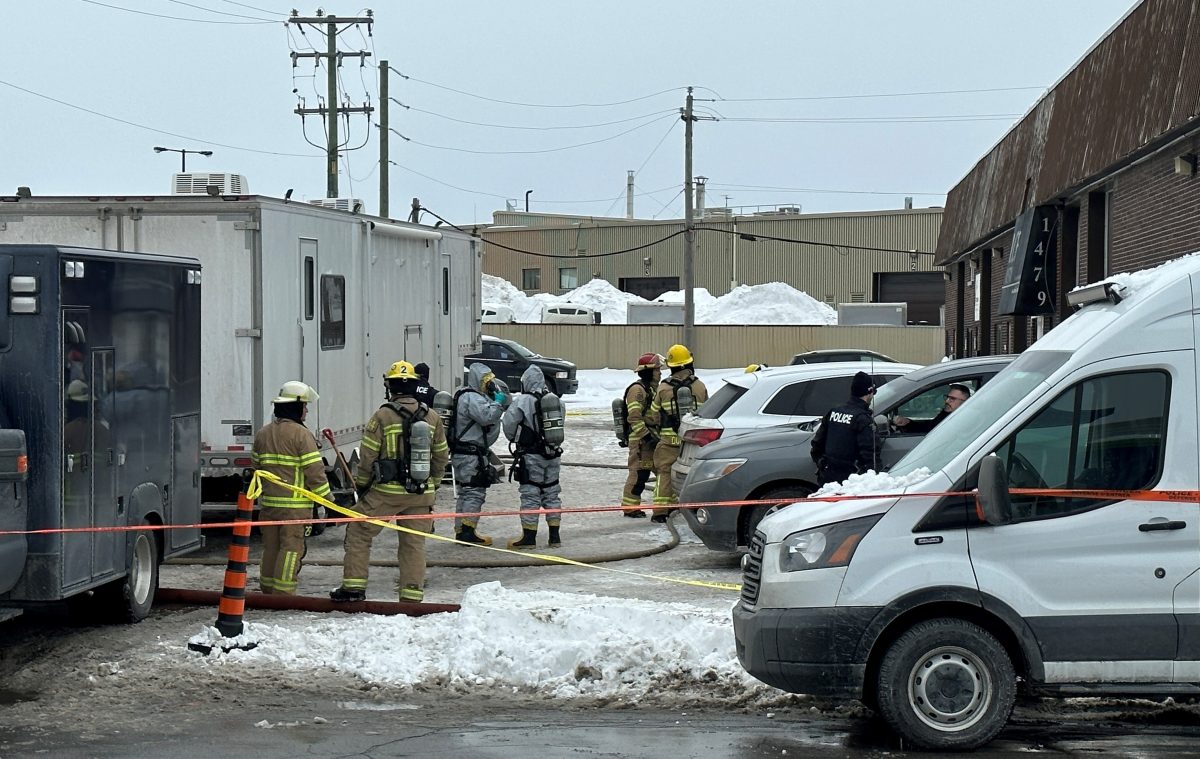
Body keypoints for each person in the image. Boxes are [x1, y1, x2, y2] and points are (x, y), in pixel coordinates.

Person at [330, 361, 450, 603]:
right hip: (421, 493)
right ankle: (411, 595)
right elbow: (441, 456)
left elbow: (368, 455)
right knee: (414, 543)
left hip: (386, 492)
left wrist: (362, 485)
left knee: (358, 531)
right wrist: (433, 485)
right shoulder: (433, 417)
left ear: (390, 388)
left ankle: (353, 589)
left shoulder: (383, 416)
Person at [251, 380, 330, 595]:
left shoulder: (262, 434)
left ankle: (267, 588)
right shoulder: (301, 435)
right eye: (304, 406)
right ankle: (284, 593)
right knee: (291, 550)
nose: (306, 410)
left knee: (271, 549)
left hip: (268, 506)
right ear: (295, 407)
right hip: (294, 508)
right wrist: (328, 500)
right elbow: (315, 472)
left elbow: (256, 466)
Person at [502, 365, 564, 548]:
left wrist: (519, 438)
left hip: (531, 456)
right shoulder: (556, 402)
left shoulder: (522, 401)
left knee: (531, 495)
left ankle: (529, 538)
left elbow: (509, 425)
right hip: (553, 454)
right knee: (552, 494)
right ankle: (555, 537)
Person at [645, 344, 708, 523]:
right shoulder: (699, 386)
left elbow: (654, 414)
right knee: (694, 474)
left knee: (664, 473)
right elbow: (707, 413)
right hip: (692, 442)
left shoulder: (663, 388)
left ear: (671, 366)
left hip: (668, 440)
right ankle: (695, 509)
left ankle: (660, 512)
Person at [450, 362, 510, 545]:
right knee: (474, 492)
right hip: (471, 455)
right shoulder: (472, 398)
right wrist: (498, 403)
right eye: (486, 381)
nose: (488, 385)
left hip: (464, 454)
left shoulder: (466, 396)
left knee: (465, 492)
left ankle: (462, 530)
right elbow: (486, 418)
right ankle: (468, 532)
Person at [810, 371, 879, 487]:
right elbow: (870, 456)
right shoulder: (863, 420)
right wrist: (874, 479)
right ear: (869, 392)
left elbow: (817, 444)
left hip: (827, 478)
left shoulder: (833, 412)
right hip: (851, 483)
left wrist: (822, 463)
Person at [619, 352, 663, 518]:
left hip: (652, 438)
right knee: (639, 474)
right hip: (640, 441)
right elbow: (634, 417)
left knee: (662, 473)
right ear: (649, 371)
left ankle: (666, 506)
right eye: (657, 370)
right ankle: (630, 508)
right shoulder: (637, 390)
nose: (660, 373)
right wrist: (646, 436)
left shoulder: (652, 388)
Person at [894, 384, 971, 433]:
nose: (947, 401)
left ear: (965, 402)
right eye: (947, 397)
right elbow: (929, 427)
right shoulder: (946, 414)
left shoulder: (964, 423)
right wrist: (908, 423)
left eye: (952, 399)